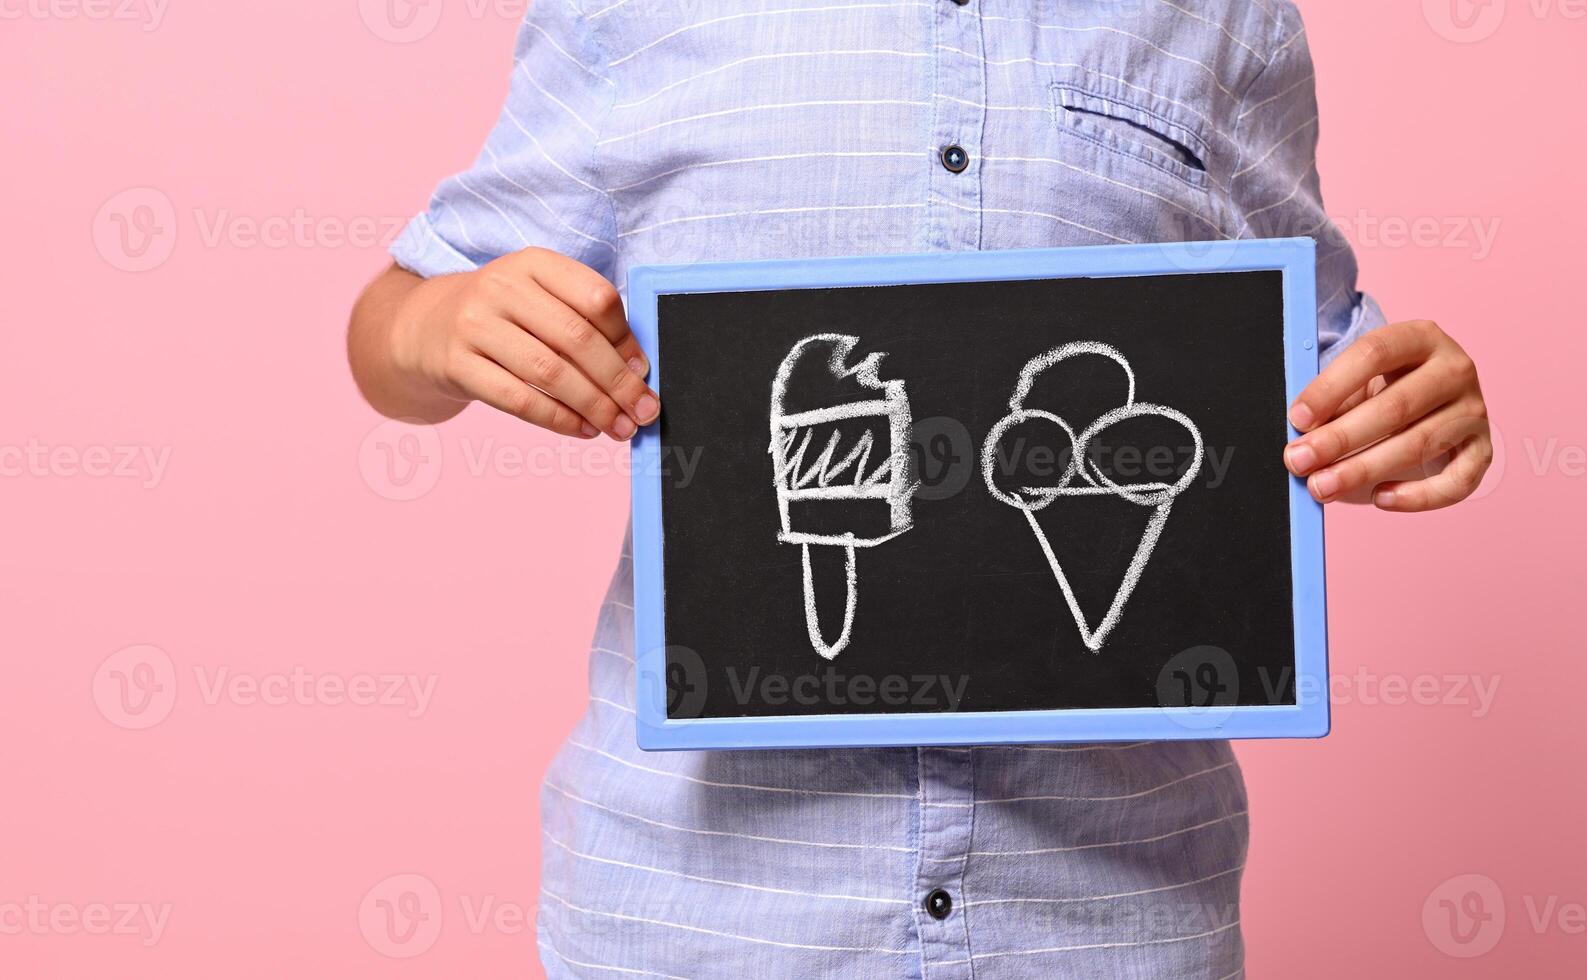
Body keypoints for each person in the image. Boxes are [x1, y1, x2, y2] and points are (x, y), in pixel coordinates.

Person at [348, 2, 1491, 975]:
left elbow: (1316, 345)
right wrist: (439, 326)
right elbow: (393, 328)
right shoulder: (636, 14)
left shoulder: (1218, 19)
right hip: (702, 915)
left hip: (1103, 915)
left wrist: (1409, 403)